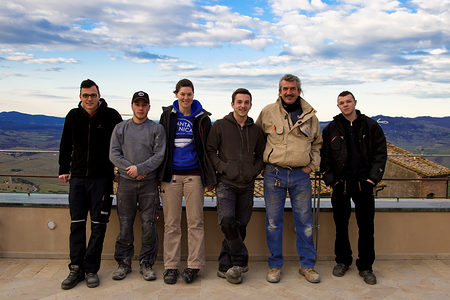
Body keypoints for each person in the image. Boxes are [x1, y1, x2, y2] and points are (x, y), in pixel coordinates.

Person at [256, 74, 322, 284]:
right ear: (279, 91)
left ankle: (307, 266)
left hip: (300, 176)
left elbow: (317, 144)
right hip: (273, 174)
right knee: (273, 223)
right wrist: (261, 166)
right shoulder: (268, 112)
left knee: (305, 223)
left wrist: (312, 166)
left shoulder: (310, 116)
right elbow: (257, 140)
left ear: (299, 91)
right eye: (285, 89)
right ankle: (275, 265)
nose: (289, 92)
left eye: (292, 88)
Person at [58, 79, 122, 289]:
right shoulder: (73, 116)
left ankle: (91, 269)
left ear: (99, 95)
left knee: (98, 227)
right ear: (80, 96)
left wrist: (117, 170)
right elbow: (65, 144)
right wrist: (63, 169)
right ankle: (75, 268)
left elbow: (122, 143)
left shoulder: (111, 116)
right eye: (85, 95)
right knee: (76, 225)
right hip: (77, 179)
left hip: (101, 180)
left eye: (92, 95)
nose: (89, 99)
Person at [320, 91, 387, 285]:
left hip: (364, 185)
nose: (345, 105)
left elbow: (380, 154)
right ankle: (342, 261)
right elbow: (325, 158)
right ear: (338, 106)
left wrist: (372, 180)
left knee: (366, 228)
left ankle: (366, 267)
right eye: (341, 102)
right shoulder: (331, 129)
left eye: (348, 101)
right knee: (341, 227)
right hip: (341, 185)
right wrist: (332, 181)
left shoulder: (371, 126)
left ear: (355, 103)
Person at [158, 79, 216, 284]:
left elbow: (208, 149)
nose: (185, 97)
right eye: (182, 94)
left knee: (195, 222)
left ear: (193, 95)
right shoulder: (167, 116)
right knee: (171, 224)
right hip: (171, 176)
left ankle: (194, 266)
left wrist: (210, 176)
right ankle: (171, 267)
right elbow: (160, 144)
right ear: (176, 95)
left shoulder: (202, 118)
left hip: (195, 176)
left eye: (189, 94)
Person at [206, 88, 265, 284]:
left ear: (250, 105)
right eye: (239, 102)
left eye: (246, 102)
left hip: (247, 184)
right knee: (227, 221)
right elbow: (210, 150)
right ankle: (241, 258)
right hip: (226, 183)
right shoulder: (221, 125)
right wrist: (222, 168)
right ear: (232, 104)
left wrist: (253, 171)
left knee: (241, 226)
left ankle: (227, 266)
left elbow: (262, 155)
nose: (242, 105)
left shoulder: (255, 130)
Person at [109, 91, 166, 282]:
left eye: (144, 104)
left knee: (148, 224)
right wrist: (131, 170)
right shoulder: (120, 128)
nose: (140, 108)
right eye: (137, 104)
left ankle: (146, 263)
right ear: (132, 106)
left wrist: (141, 168)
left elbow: (159, 155)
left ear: (149, 107)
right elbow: (114, 154)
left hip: (149, 183)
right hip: (126, 183)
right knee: (125, 223)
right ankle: (124, 263)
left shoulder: (157, 129)